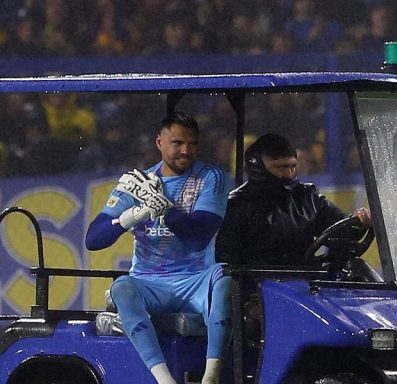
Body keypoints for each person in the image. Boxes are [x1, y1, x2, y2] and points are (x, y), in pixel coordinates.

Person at [85, 111, 232, 384]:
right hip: (149, 281)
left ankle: (211, 376)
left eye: (192, 144)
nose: (186, 150)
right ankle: (164, 380)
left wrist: (166, 209)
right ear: (159, 143)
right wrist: (129, 217)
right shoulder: (138, 184)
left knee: (224, 280)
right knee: (122, 287)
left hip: (196, 278)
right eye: (177, 143)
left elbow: (199, 235)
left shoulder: (212, 177)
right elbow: (93, 240)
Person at [215, 133, 371, 266]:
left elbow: (340, 228)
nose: (289, 174)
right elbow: (227, 261)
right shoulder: (237, 204)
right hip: (259, 290)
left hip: (306, 287)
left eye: (292, 166)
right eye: (280, 167)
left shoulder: (307, 196)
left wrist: (359, 221)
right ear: (258, 167)